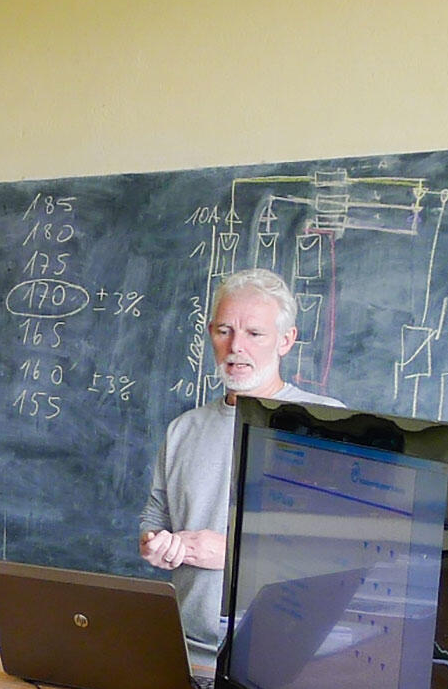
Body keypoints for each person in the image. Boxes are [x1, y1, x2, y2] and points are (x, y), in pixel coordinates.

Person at [138, 267, 343, 668]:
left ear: (286, 340)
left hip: (289, 660)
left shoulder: (326, 426)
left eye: (254, 334)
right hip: (188, 652)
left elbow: (345, 550)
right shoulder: (184, 429)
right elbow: (155, 516)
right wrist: (154, 543)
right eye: (224, 331)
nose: (236, 347)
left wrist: (233, 553)